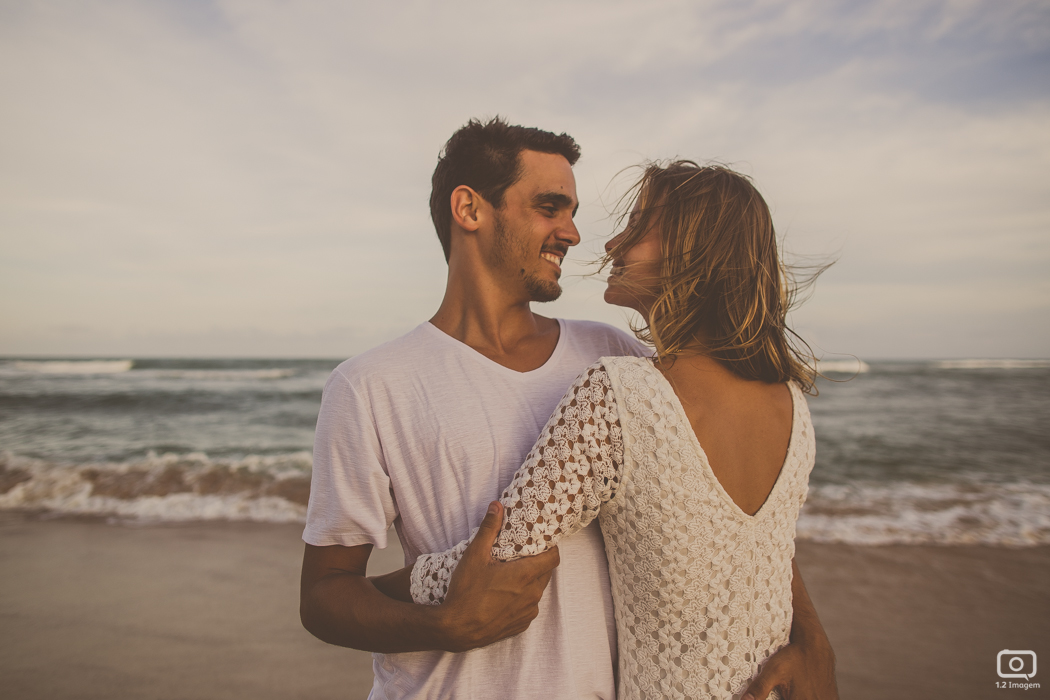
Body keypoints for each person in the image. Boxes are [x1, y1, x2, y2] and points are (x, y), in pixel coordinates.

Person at [300, 119, 836, 699]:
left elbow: (728, 519)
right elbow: (324, 597)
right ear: (470, 209)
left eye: (573, 211)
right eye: (550, 208)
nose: (575, 234)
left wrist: (810, 635)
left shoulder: (616, 357)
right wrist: (443, 626)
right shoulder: (370, 386)